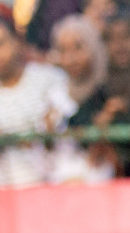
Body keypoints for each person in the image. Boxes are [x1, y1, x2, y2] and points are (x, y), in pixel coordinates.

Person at [0, 6, 75, 187]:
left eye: (0, 43)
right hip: (5, 188)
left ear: (17, 43)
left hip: (55, 182)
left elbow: (61, 132)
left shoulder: (49, 79)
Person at [68, 11, 130, 177]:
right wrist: (104, 118)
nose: (120, 45)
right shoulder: (105, 83)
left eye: (127, 37)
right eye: (112, 39)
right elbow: (75, 124)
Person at [47, 15, 114, 184]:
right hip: (60, 185)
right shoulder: (53, 94)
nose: (70, 58)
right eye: (62, 50)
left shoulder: (108, 91)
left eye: (78, 48)